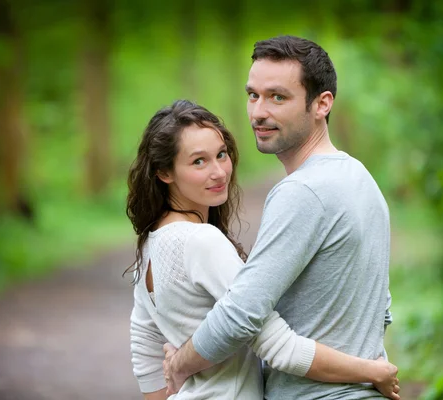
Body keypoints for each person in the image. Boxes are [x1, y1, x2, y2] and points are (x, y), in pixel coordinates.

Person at [162, 35, 397, 400]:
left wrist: (179, 364)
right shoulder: (361, 179)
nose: (258, 112)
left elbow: (241, 315)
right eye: (253, 95)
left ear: (322, 104)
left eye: (278, 97)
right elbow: (381, 309)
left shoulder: (302, 191)